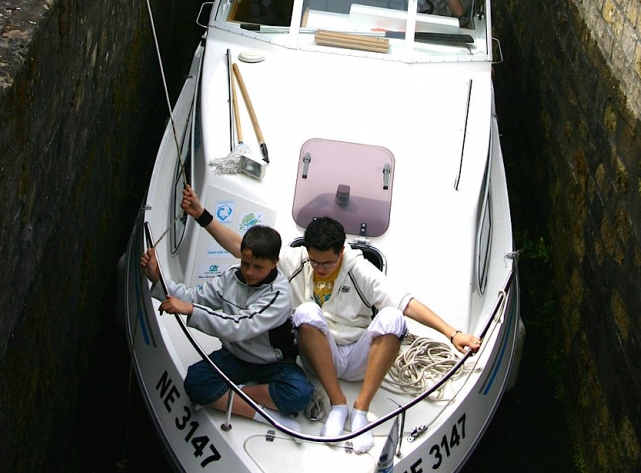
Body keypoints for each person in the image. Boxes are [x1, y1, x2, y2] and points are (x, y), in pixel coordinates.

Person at [180, 194, 481, 454]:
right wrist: (203, 215)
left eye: (328, 262)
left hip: (357, 357)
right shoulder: (297, 260)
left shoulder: (358, 268)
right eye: (315, 262)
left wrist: (452, 333)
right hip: (318, 358)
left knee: (393, 317)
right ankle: (338, 404)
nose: (321, 268)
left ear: (341, 252)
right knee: (307, 312)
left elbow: (405, 301)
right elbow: (240, 247)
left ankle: (360, 411)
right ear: (308, 253)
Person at [140, 225, 313, 434]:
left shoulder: (279, 295)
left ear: (274, 263)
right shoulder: (231, 276)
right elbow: (195, 297)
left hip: (273, 362)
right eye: (245, 263)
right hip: (234, 355)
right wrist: (157, 278)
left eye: (258, 267)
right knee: (195, 381)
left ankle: (231, 394)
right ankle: (262, 414)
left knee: (300, 394)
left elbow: (238, 326)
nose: (249, 272)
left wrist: (191, 311)